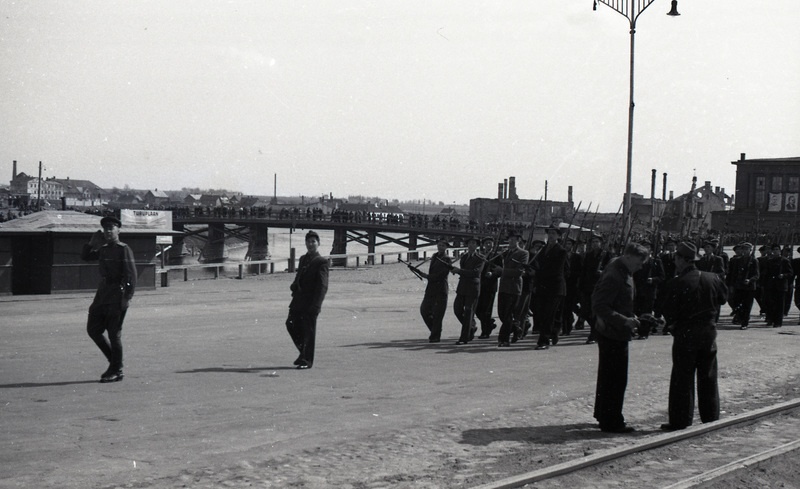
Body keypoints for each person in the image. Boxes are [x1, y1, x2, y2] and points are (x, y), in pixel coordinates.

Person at [660, 241, 728, 431]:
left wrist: (673, 324)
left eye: (676, 258)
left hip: (685, 334)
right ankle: (711, 417)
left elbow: (668, 310)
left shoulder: (676, 283)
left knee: (682, 378)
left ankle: (681, 420)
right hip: (708, 333)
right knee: (708, 375)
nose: (675, 262)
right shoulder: (713, 278)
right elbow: (723, 298)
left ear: (681, 260)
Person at [591, 242, 648, 433]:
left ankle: (603, 414)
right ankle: (612, 421)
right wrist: (625, 321)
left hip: (614, 331)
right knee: (615, 379)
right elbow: (599, 305)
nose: (640, 267)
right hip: (613, 332)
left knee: (608, 376)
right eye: (639, 263)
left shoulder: (620, 267)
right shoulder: (615, 275)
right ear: (629, 257)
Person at [81, 216, 137, 383]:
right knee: (93, 329)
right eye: (105, 228)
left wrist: (127, 297)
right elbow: (86, 257)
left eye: (111, 228)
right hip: (102, 294)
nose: (108, 231)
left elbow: (131, 275)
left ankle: (116, 369)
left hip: (117, 295)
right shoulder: (103, 249)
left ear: (118, 230)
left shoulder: (123, 249)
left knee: (114, 335)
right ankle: (115, 364)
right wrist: (91, 243)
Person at [286, 230, 329, 369]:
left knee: (309, 330)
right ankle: (303, 351)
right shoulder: (303, 258)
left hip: (311, 303)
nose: (310, 244)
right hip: (298, 300)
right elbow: (299, 275)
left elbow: (322, 286)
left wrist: (316, 306)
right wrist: (294, 284)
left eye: (313, 242)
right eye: (308, 242)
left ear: (318, 244)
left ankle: (307, 360)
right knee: (290, 324)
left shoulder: (321, 262)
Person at [530, 225, 569, 350]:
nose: (551, 235)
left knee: (548, 314)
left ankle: (543, 341)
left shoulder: (561, 251)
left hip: (555, 287)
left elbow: (556, 271)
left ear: (558, 236)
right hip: (543, 287)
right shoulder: (543, 249)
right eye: (549, 233)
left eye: (554, 233)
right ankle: (554, 331)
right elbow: (538, 265)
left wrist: (536, 273)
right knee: (542, 314)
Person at [495, 231, 528, 347]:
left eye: (513, 239)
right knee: (502, 313)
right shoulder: (506, 253)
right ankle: (516, 328)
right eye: (509, 239)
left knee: (508, 313)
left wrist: (502, 271)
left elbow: (519, 271)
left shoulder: (523, 253)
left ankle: (504, 339)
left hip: (514, 287)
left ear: (518, 240)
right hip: (503, 286)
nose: (511, 241)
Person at [416, 238, 453, 343]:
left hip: (441, 289)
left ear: (446, 247)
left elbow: (443, 274)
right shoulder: (434, 256)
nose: (440, 247)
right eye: (439, 245)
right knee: (424, 310)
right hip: (430, 288)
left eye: (443, 245)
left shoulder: (447, 259)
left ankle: (435, 335)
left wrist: (428, 276)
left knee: (438, 314)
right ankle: (435, 331)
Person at [451, 237, 484, 344]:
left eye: (473, 243)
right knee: (457, 309)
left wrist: (460, 271)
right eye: (469, 243)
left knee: (469, 312)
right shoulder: (464, 257)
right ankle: (471, 326)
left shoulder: (481, 258)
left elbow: (476, 272)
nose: (471, 245)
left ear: (477, 246)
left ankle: (464, 338)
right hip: (462, 287)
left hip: (473, 288)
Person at [727, 242, 759, 330]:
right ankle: (740, 316)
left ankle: (744, 323)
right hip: (739, 286)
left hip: (749, 287)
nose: (745, 251)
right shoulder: (737, 260)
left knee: (747, 305)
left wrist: (750, 280)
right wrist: (732, 285)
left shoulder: (754, 261)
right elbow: (734, 273)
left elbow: (757, 275)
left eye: (747, 249)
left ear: (750, 250)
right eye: (743, 249)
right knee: (736, 303)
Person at [476, 237, 502, 339]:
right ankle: (489, 323)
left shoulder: (497, 255)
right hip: (480, 284)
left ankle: (485, 332)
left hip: (490, 285)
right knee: (478, 309)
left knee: (487, 309)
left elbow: (500, 270)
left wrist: (493, 273)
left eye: (490, 243)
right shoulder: (480, 255)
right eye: (486, 243)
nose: (488, 245)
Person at [761, 243, 793, 327]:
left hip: (781, 286)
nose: (776, 251)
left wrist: (784, 275)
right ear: (771, 251)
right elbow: (766, 273)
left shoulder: (785, 261)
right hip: (771, 285)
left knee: (780, 305)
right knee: (770, 304)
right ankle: (770, 319)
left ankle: (778, 322)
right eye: (774, 250)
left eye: (777, 250)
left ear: (780, 251)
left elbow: (790, 273)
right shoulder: (769, 261)